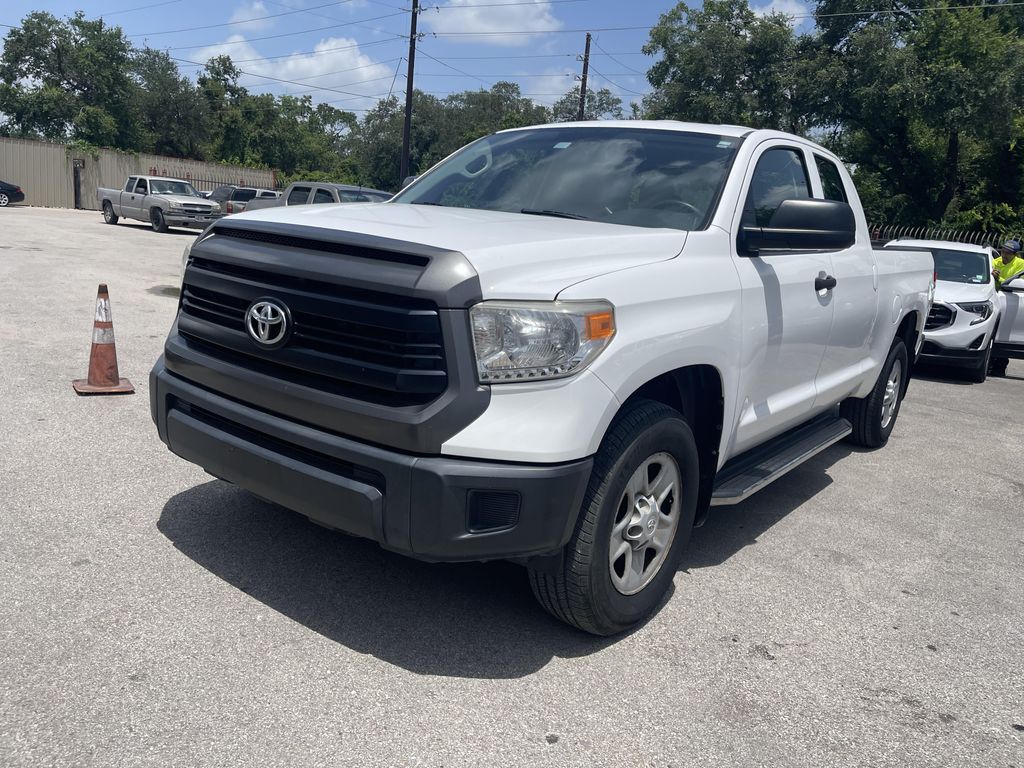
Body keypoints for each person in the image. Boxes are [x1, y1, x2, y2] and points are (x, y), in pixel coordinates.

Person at [989, 239, 1024, 377]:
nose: (1004, 255)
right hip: (993, 299)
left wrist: (1000, 279)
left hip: (1012, 301)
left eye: (1008, 253)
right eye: (1003, 251)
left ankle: (1000, 366)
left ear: (1015, 254)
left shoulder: (1021, 265)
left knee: (1005, 334)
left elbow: (1019, 283)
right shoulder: (994, 262)